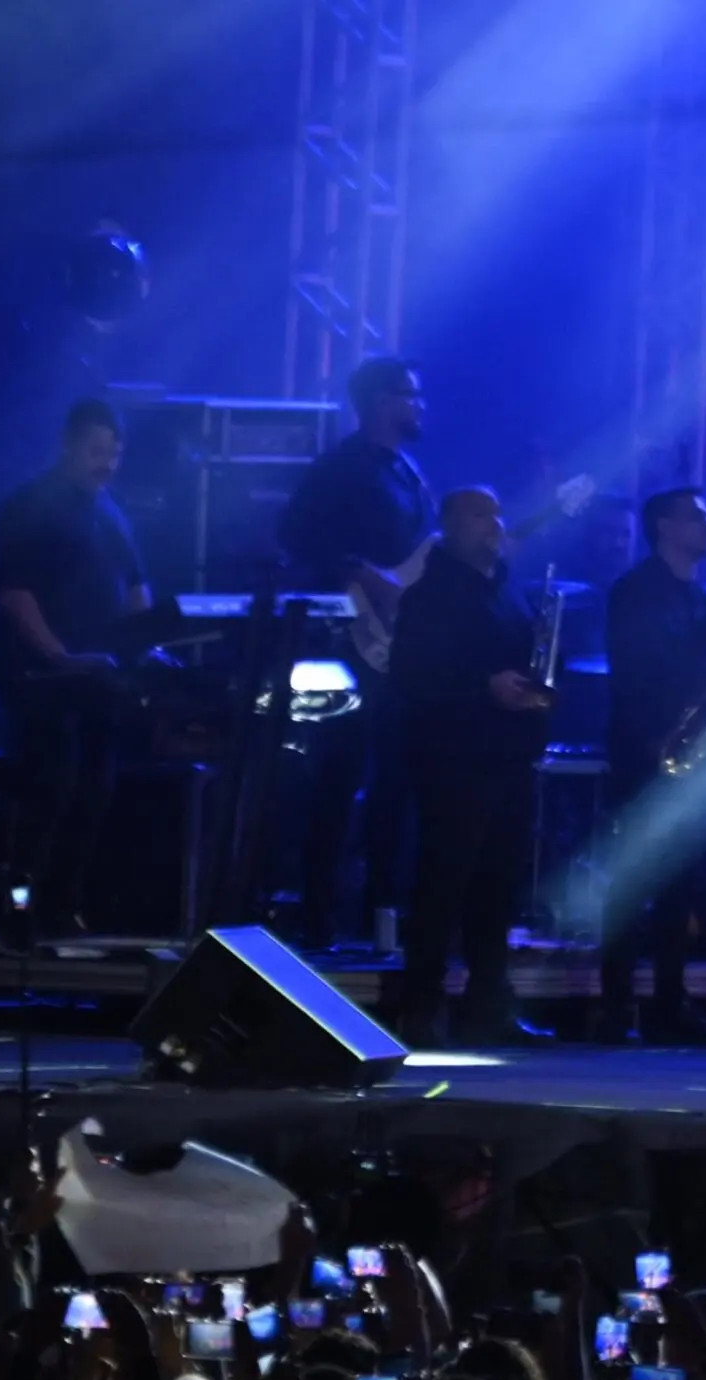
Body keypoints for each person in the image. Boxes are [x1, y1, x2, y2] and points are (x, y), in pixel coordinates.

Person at [278, 356, 436, 946]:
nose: (419, 405)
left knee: (397, 781)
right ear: (378, 402)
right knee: (337, 777)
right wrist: (366, 575)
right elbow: (297, 537)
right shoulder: (340, 468)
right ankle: (319, 914)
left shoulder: (407, 471)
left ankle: (382, 913)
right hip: (345, 643)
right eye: (409, 395)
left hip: (400, 650)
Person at [389, 487, 552, 1046]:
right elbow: (412, 678)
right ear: (451, 526)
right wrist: (484, 687)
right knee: (444, 883)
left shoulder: (509, 590)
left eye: (497, 514)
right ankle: (422, 1006)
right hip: (454, 757)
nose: (494, 524)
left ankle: (488, 1004)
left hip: (508, 754)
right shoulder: (429, 596)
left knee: (498, 885)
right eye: (480, 515)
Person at [0, 398, 150, 935]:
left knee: (95, 791)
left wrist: (149, 645)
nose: (107, 463)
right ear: (68, 445)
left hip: (99, 680)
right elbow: (15, 595)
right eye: (96, 451)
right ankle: (16, 912)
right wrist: (59, 656)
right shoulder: (30, 506)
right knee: (48, 793)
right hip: (43, 682)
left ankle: (62, 909)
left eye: (114, 453)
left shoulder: (112, 512)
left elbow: (136, 587)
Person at [597, 486, 706, 1047]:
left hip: (688, 754)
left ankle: (669, 1003)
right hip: (644, 751)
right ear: (664, 526)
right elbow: (657, 665)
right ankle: (615, 1008)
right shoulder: (636, 591)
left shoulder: (696, 596)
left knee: (680, 885)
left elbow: (695, 669)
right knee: (632, 880)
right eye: (697, 518)